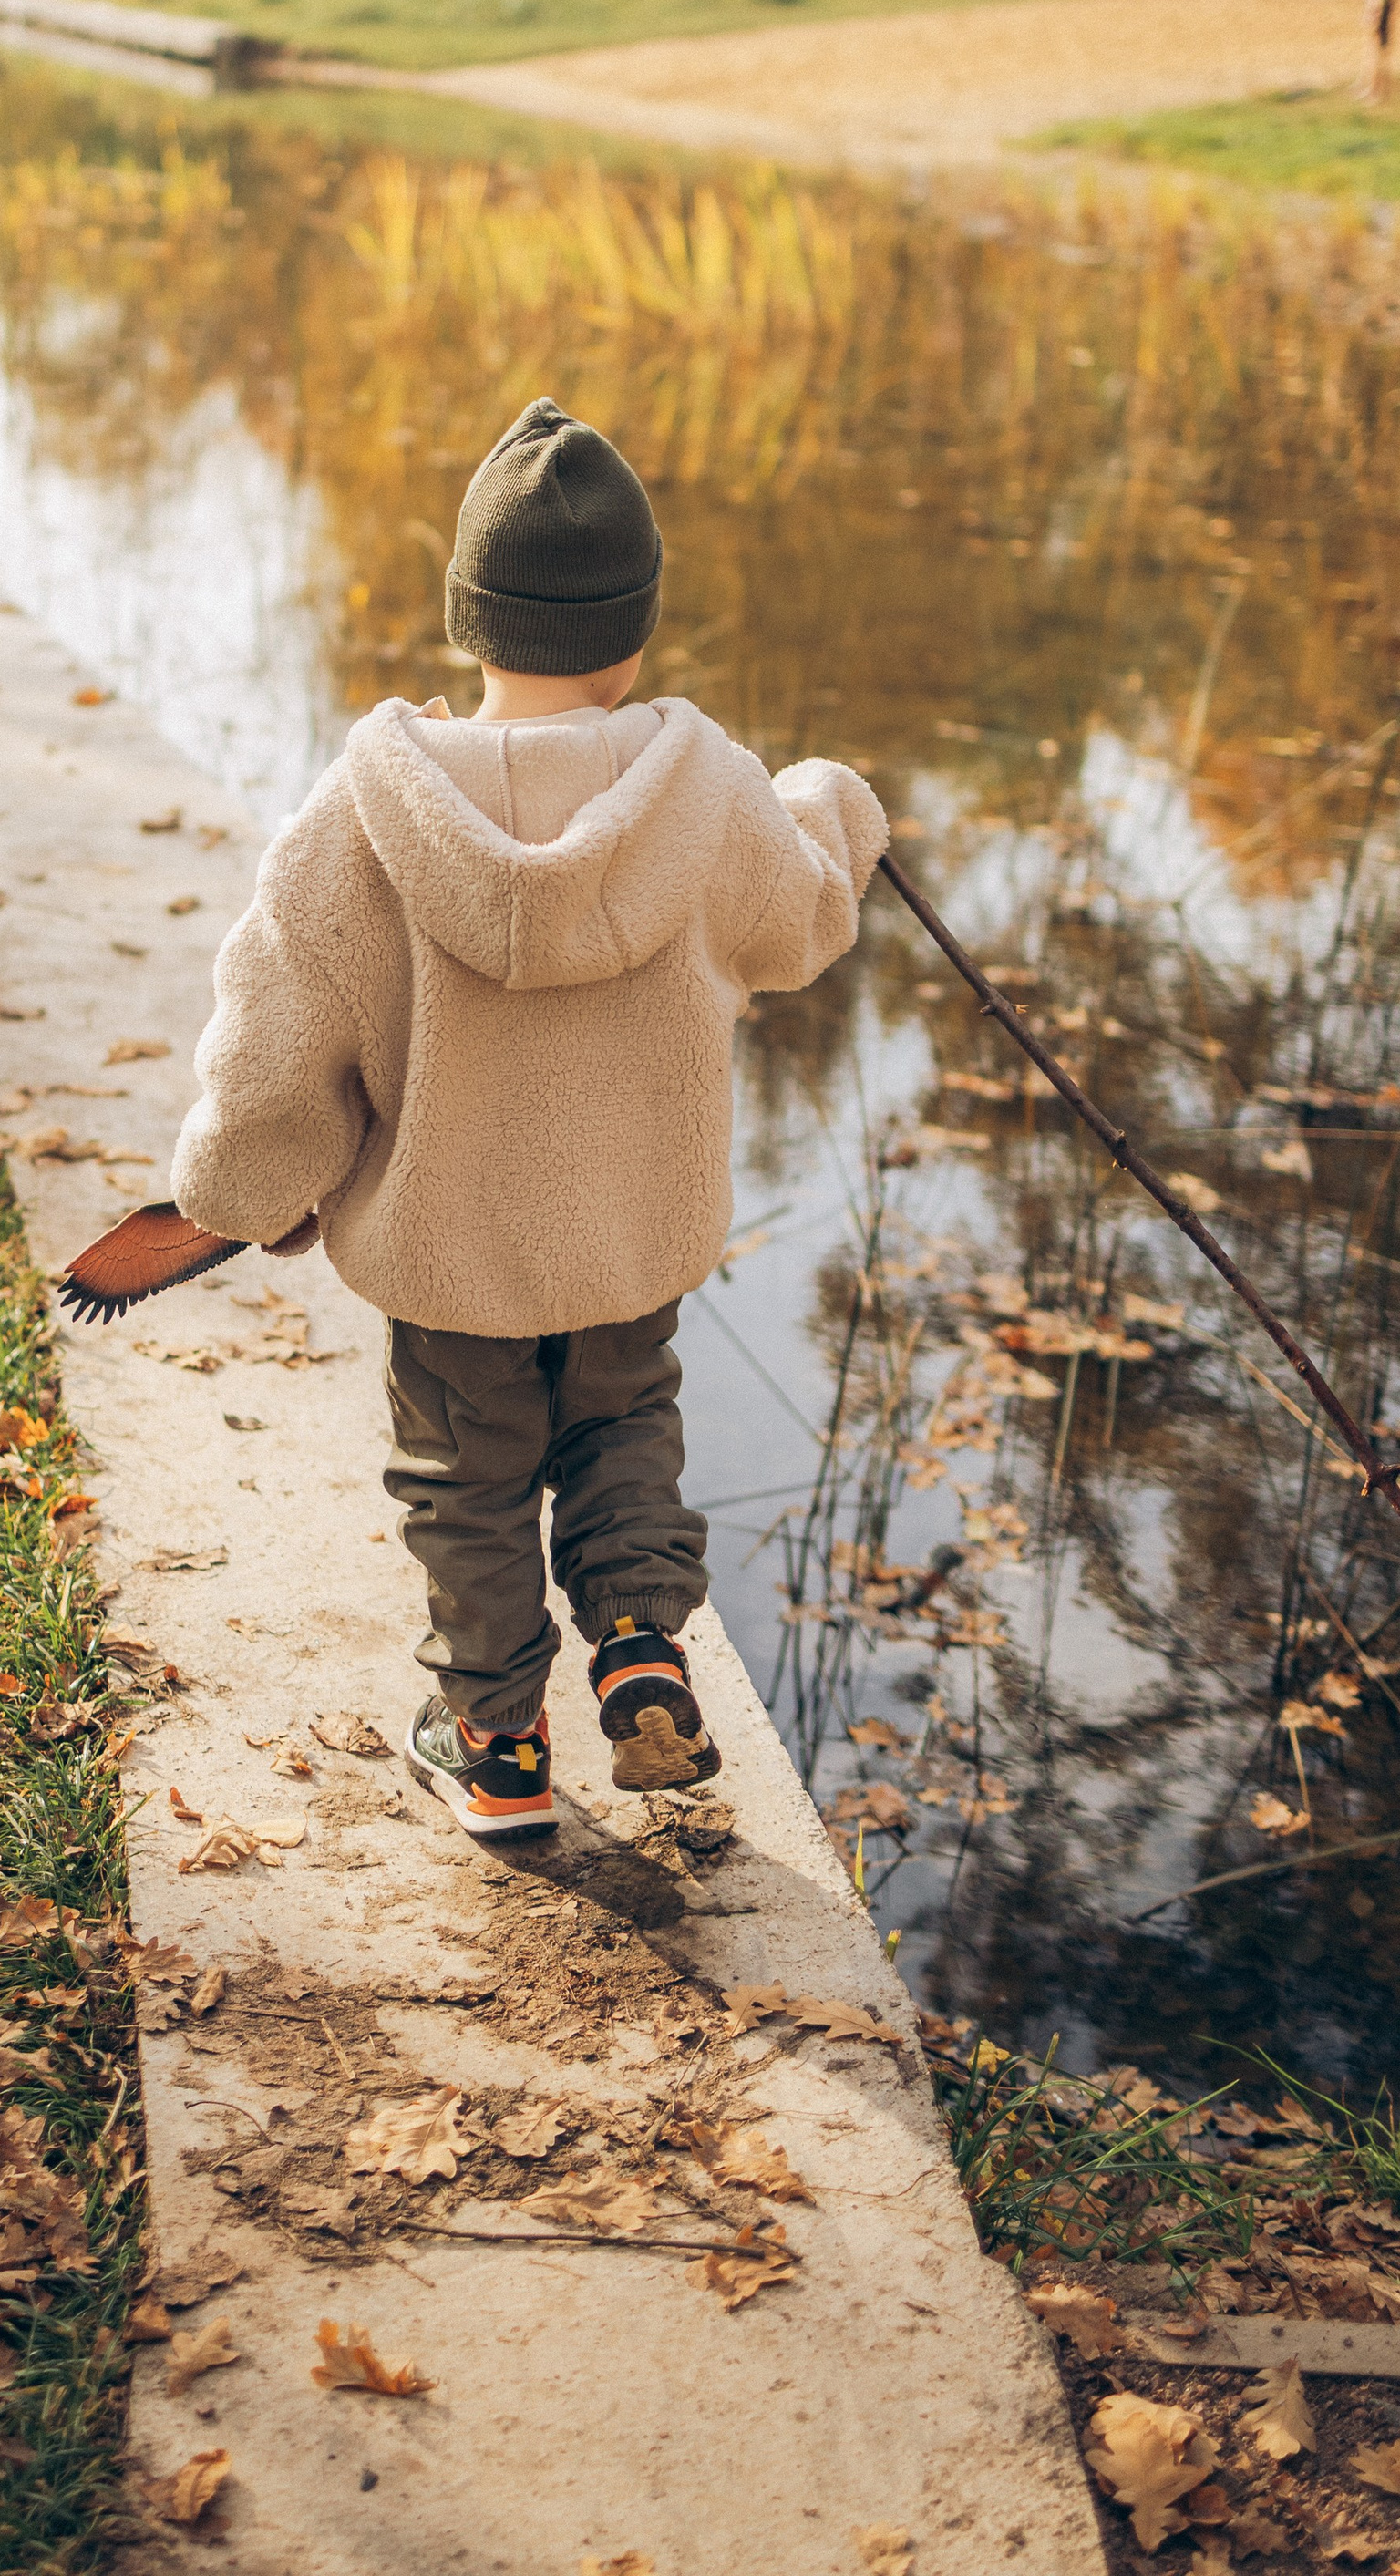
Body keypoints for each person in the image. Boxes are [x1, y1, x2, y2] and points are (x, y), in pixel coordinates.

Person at [170, 397, 887, 1837]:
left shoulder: (359, 814)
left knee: (468, 1480)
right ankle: (639, 1648)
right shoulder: (710, 791)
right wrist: (832, 802)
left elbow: (277, 1029)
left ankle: (498, 1745)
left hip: (450, 1249)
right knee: (622, 1430)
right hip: (627, 1232)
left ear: (469, 623)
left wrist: (241, 1192)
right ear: (633, 635)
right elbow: (803, 916)